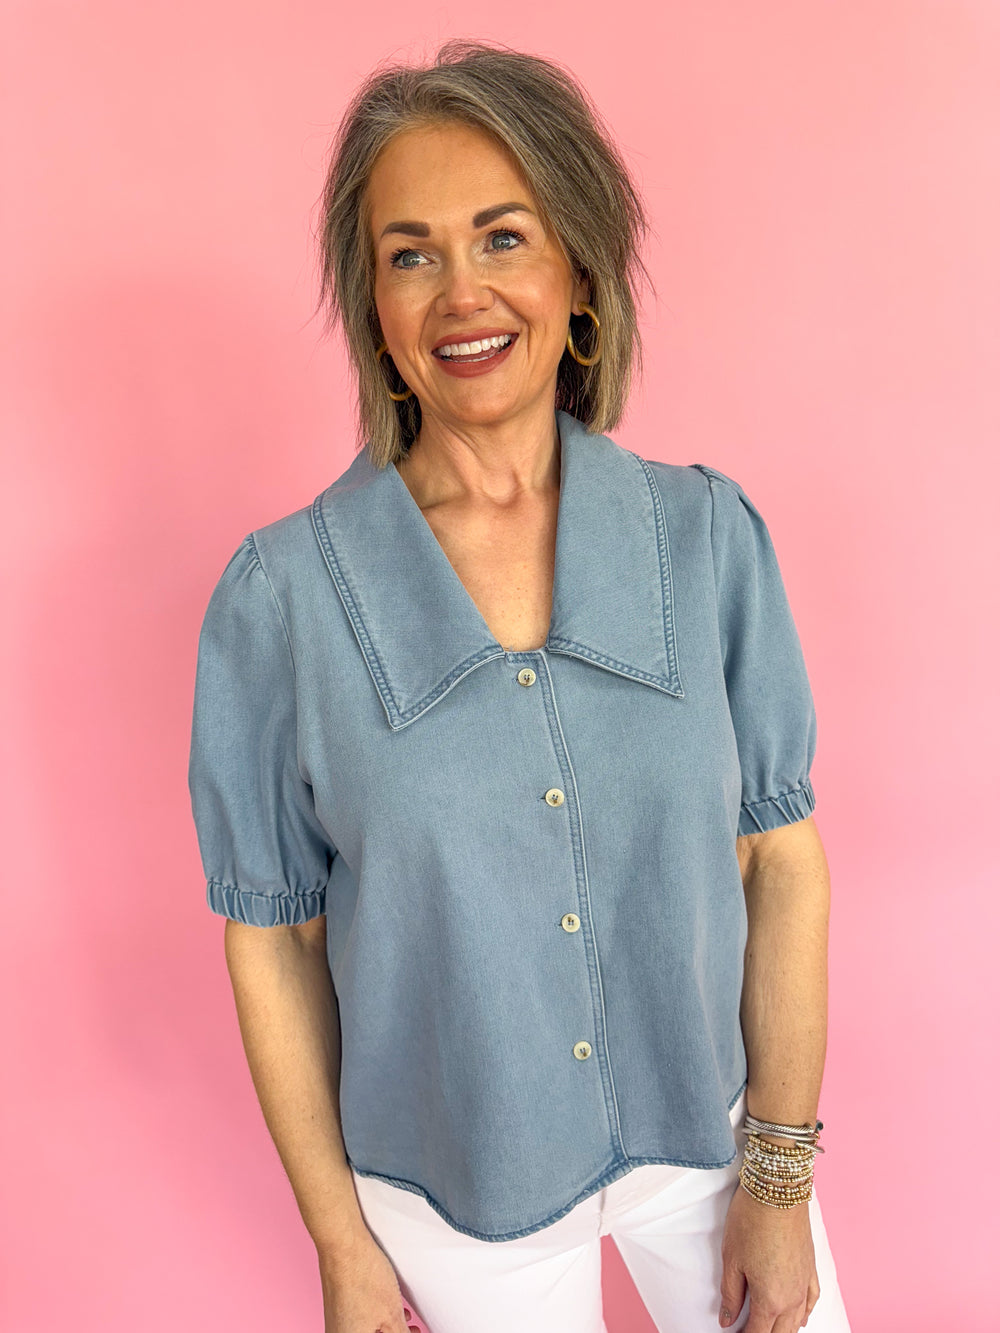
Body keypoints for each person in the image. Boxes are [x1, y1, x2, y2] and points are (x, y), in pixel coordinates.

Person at [188, 38, 853, 1333]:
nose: (461, 293)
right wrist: (341, 1243)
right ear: (373, 307)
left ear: (579, 274)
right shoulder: (282, 602)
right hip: (453, 1190)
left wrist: (779, 1177)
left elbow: (784, 861)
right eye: (411, 255)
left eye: (504, 237)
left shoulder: (706, 540)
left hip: (711, 1140)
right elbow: (273, 937)